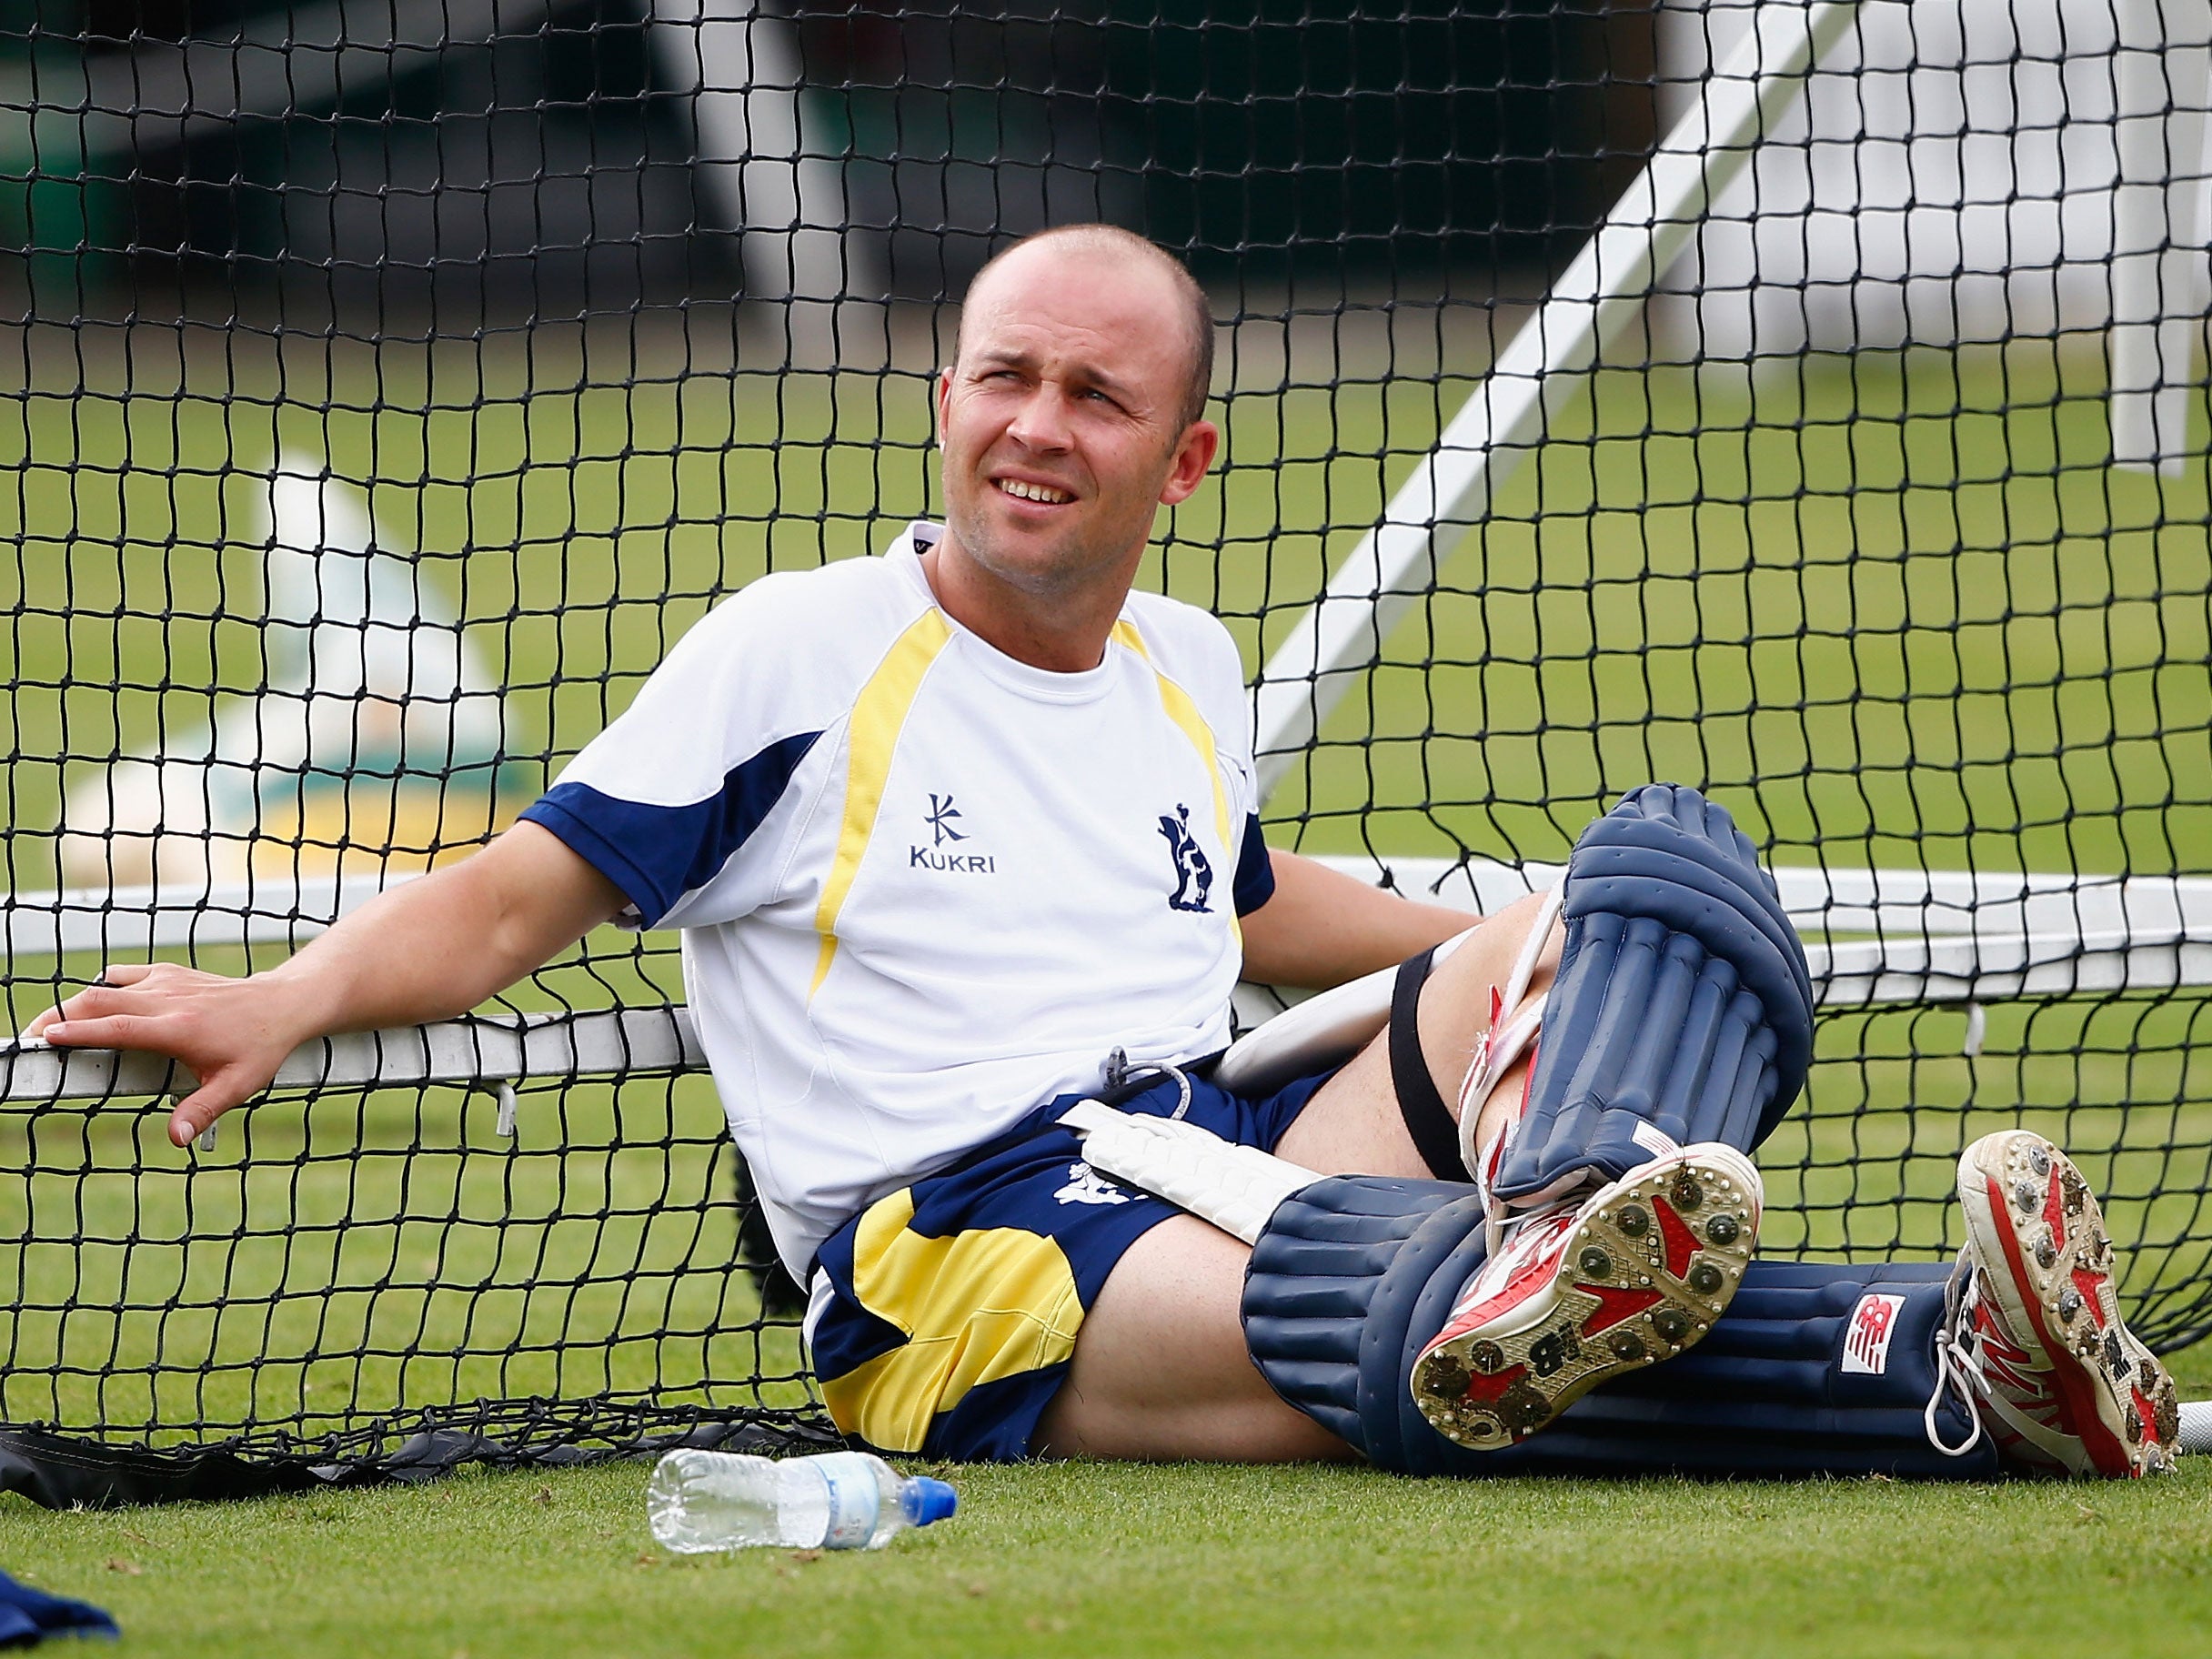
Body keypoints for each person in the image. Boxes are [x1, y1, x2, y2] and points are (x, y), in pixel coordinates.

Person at [30, 225, 2178, 1482]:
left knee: (1668, 871)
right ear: (945, 401)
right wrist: (280, 990)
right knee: (1387, 1303)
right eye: (1003, 379)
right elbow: (514, 894)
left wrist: (1563, 955)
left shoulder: (1184, 658)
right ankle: (1947, 1370)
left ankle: (1567, 1210)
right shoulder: (795, 649)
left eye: (1093, 396)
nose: (1036, 426)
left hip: (1203, 1123)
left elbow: (1243, 914)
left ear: (1185, 454)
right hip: (954, 1244)